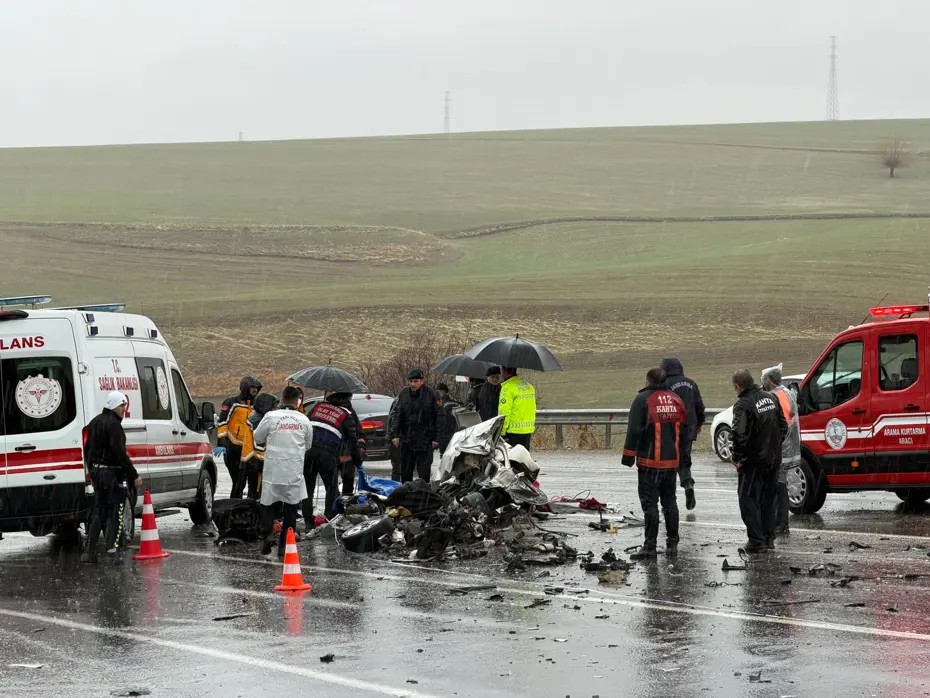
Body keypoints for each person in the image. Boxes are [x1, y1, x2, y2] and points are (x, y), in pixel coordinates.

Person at [621, 368, 688, 559]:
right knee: (670, 503)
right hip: (671, 462)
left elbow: (634, 430)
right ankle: (672, 545)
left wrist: (628, 457)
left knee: (650, 505)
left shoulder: (643, 400)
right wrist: (682, 458)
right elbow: (684, 431)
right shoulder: (676, 399)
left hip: (650, 462)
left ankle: (650, 547)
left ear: (648, 381)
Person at [730, 369, 788, 553]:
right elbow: (783, 426)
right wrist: (774, 446)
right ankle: (769, 537)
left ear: (738, 387)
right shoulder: (770, 398)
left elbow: (739, 435)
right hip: (772, 458)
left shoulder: (743, 405)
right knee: (768, 499)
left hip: (753, 461)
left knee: (748, 499)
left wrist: (738, 457)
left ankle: (756, 539)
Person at [81, 392, 143, 563]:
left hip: (97, 473)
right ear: (114, 405)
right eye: (122, 406)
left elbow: (87, 451)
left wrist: (92, 470)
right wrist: (133, 475)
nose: (124, 409)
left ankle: (89, 551)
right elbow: (119, 453)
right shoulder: (114, 425)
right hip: (112, 474)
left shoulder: (94, 423)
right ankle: (111, 551)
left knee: (99, 511)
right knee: (117, 511)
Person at [253, 386, 312, 558]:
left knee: (268, 504)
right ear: (298, 401)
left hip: (273, 469)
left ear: (282, 399)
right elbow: (308, 445)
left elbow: (257, 437)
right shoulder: (304, 420)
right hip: (293, 470)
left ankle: (267, 533)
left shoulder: (270, 416)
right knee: (291, 510)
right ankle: (284, 546)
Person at [304, 392, 362, 524]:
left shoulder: (318, 406)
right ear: (342, 400)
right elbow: (353, 440)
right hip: (327, 452)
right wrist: (358, 461)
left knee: (308, 486)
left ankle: (308, 519)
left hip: (309, 450)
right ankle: (329, 518)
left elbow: (306, 424)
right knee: (331, 487)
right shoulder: (345, 414)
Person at [659, 358, 706, 511]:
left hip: (670, 428)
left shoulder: (665, 385)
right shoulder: (691, 383)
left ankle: (669, 499)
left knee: (669, 462)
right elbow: (699, 405)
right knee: (684, 459)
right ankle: (688, 484)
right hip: (689, 428)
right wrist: (699, 423)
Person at [761, 364, 801, 535]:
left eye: (764, 379)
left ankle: (780, 523)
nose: (762, 382)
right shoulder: (788, 392)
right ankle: (780, 523)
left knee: (778, 487)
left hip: (782, 448)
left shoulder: (777, 395)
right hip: (789, 446)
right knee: (780, 486)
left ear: (770, 380)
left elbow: (781, 421)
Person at [389, 368, 441, 482]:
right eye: (411, 381)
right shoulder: (404, 394)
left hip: (425, 439)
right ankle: (406, 495)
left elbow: (440, 416)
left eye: (416, 381)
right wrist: (395, 435)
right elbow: (397, 414)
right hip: (407, 438)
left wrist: (437, 438)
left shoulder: (432, 394)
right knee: (406, 471)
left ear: (422, 381)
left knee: (424, 472)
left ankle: (422, 495)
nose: (413, 384)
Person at [216, 376, 262, 497]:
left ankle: (250, 509)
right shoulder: (232, 402)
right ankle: (234, 507)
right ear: (245, 388)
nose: (255, 391)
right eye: (253, 388)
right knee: (237, 481)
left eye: (257, 388)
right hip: (234, 447)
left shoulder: (258, 404)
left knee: (253, 481)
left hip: (250, 449)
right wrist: (222, 443)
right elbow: (222, 422)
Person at [238, 393, 280, 499]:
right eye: (274, 407)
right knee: (256, 489)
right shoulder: (259, 419)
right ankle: (256, 511)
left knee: (252, 487)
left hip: (251, 458)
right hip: (256, 458)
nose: (275, 410)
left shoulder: (255, 415)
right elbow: (259, 441)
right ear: (266, 406)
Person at [498, 367, 537, 450]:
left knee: (511, 461)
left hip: (512, 432)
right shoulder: (529, 387)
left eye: (501, 370)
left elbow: (504, 413)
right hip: (527, 430)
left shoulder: (507, 388)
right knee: (523, 459)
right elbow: (532, 408)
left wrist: (501, 432)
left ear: (504, 371)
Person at [436, 383, 460, 455]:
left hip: (443, 435)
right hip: (455, 434)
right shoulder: (456, 403)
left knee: (444, 456)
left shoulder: (438, 404)